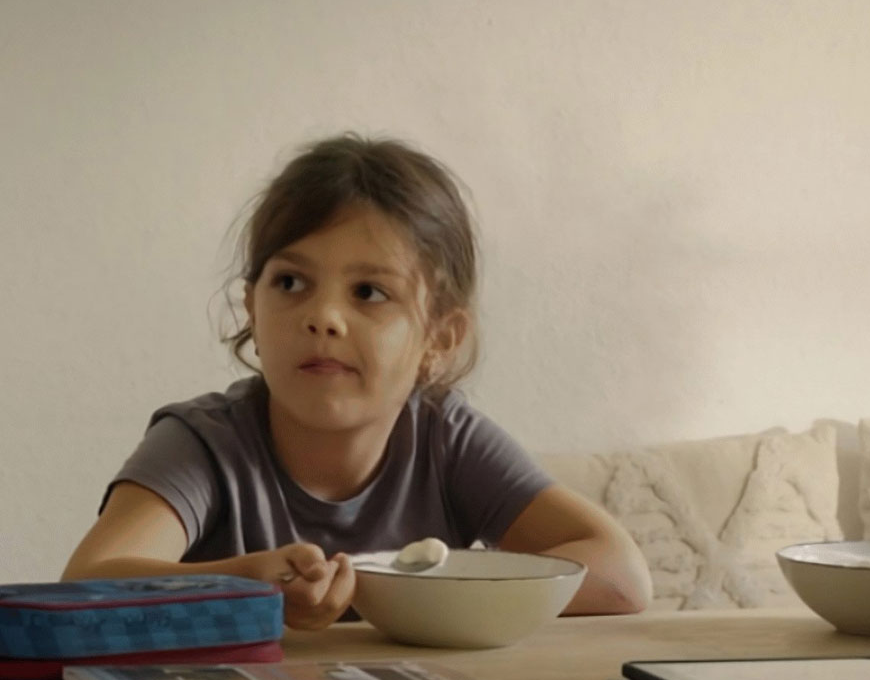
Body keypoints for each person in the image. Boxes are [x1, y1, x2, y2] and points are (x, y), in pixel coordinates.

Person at [64, 134, 652, 629]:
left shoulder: (446, 440)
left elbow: (621, 578)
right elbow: (84, 588)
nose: (324, 316)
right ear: (251, 307)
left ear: (438, 339)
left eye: (369, 292)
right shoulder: (205, 444)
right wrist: (249, 582)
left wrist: (393, 589)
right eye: (291, 283)